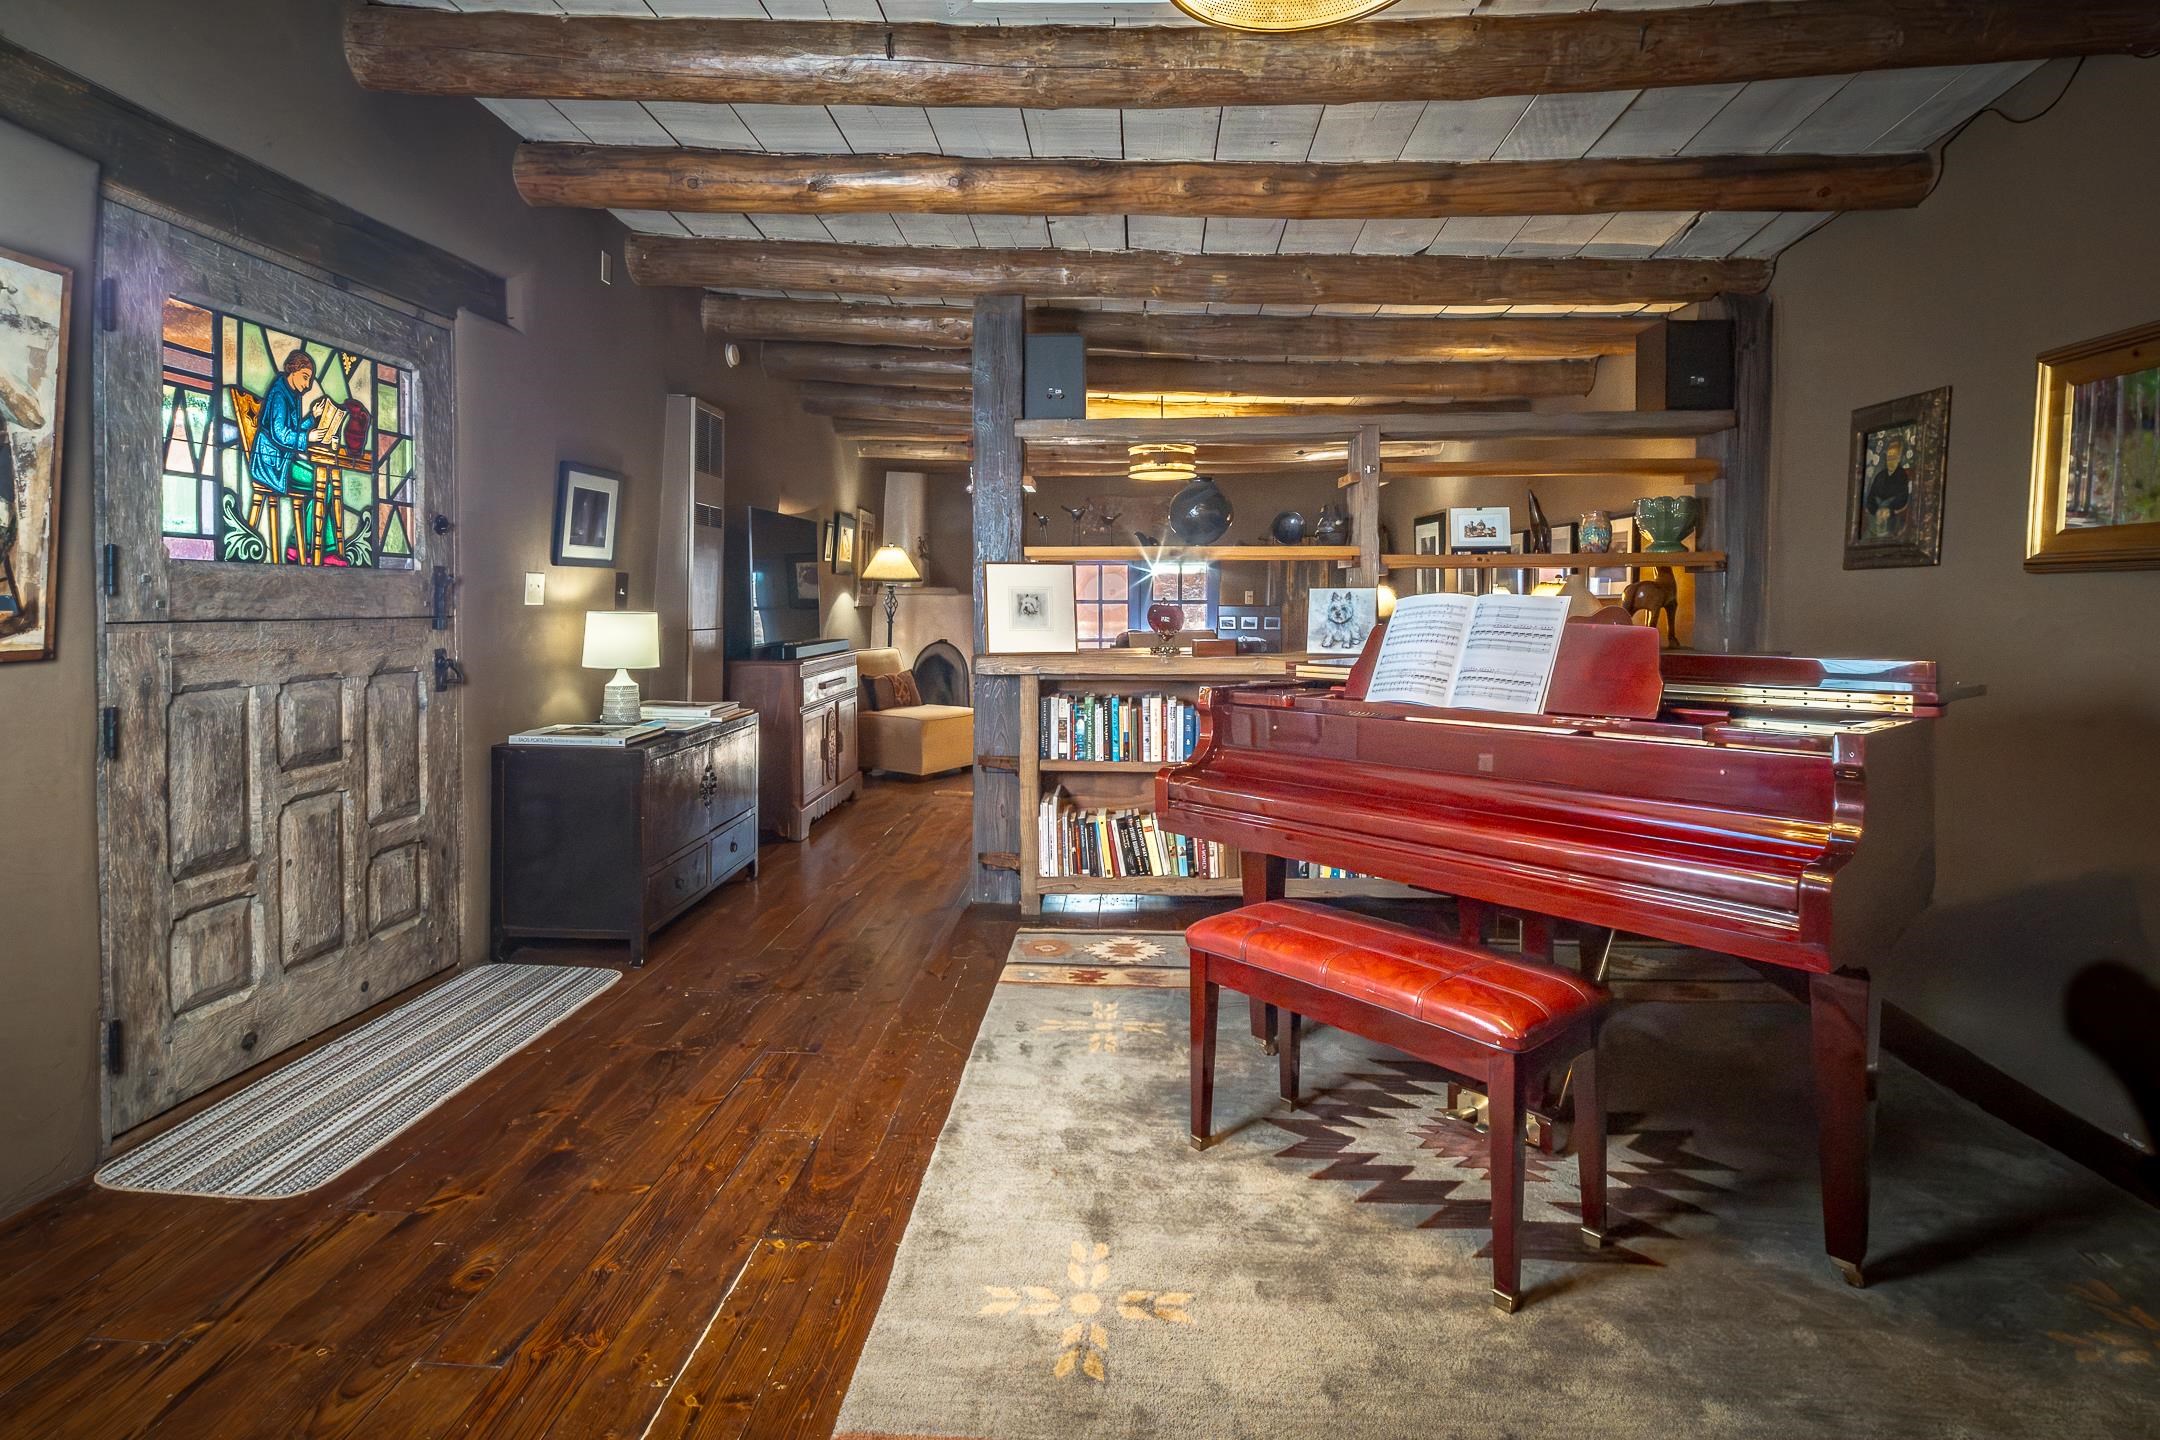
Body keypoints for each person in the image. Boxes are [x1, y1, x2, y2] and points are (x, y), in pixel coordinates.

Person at [1863, 430, 1914, 540]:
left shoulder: (1902, 476)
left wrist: (1888, 509)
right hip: (1876, 516)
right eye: (1888, 457)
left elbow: (1902, 499)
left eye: (1893, 457)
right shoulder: (1880, 476)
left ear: (1899, 458)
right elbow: (1871, 496)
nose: (1890, 461)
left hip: (1892, 518)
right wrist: (1876, 510)